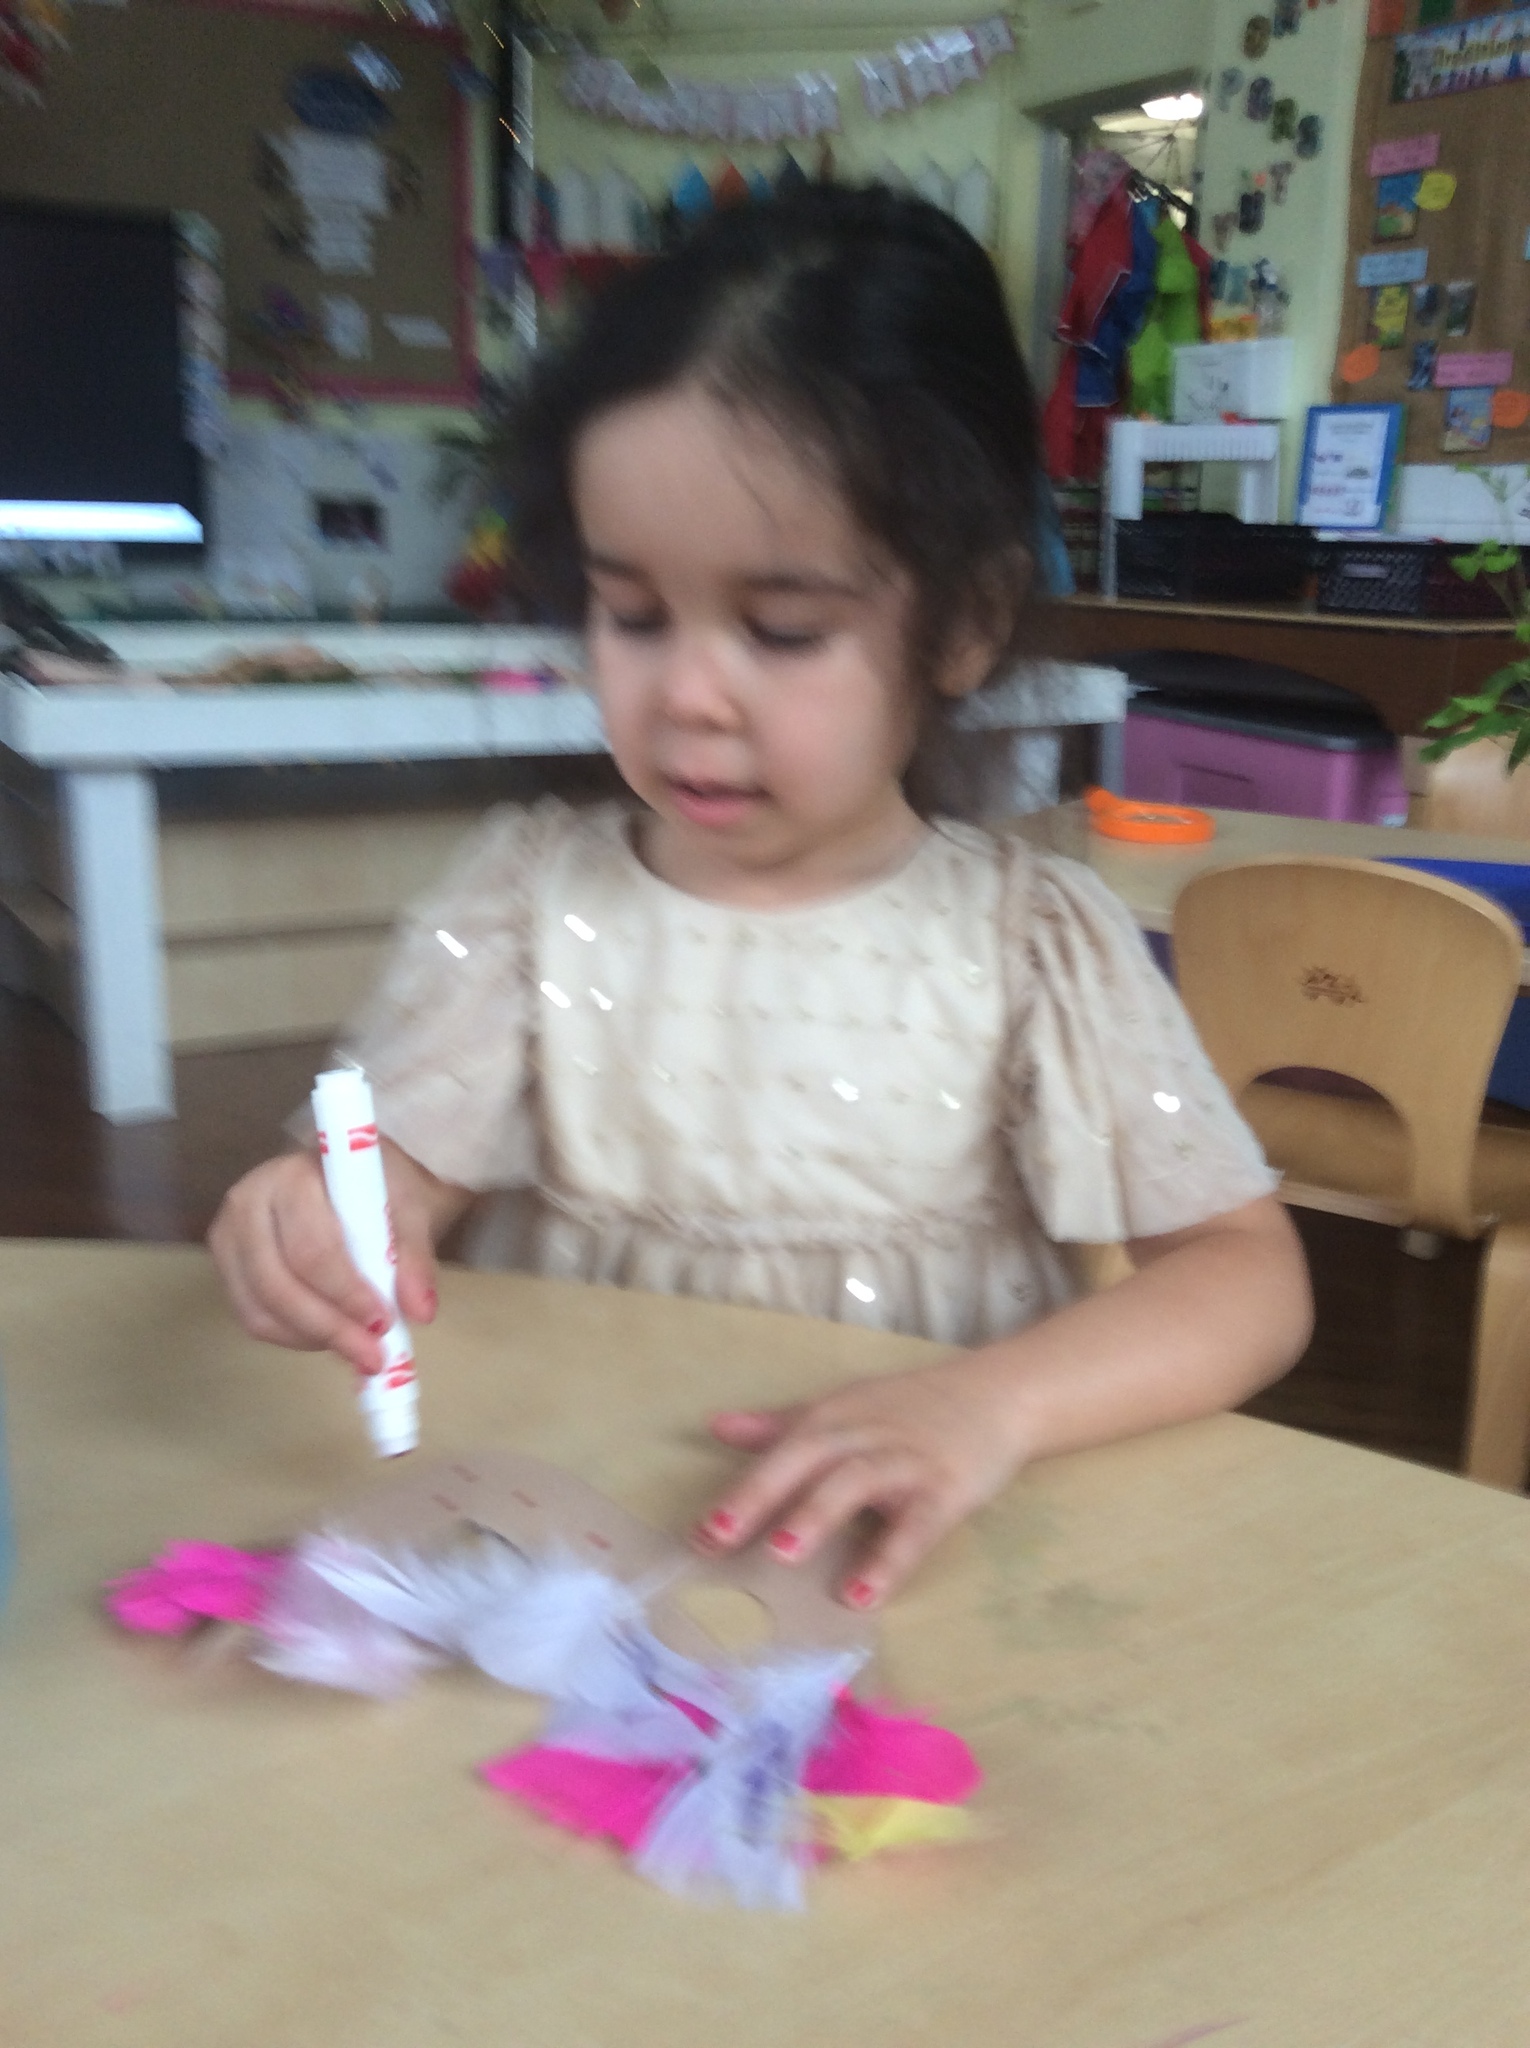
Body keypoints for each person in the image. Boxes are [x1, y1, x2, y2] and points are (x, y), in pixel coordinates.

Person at [210, 186, 1311, 1611]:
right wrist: (314, 1224)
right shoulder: (524, 900)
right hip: (573, 1554)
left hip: (897, 1573)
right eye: (631, 613)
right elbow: (388, 1182)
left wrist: (990, 1405)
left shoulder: (1029, 943)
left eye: (782, 629)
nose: (687, 695)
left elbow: (1244, 1275)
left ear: (966, 621)